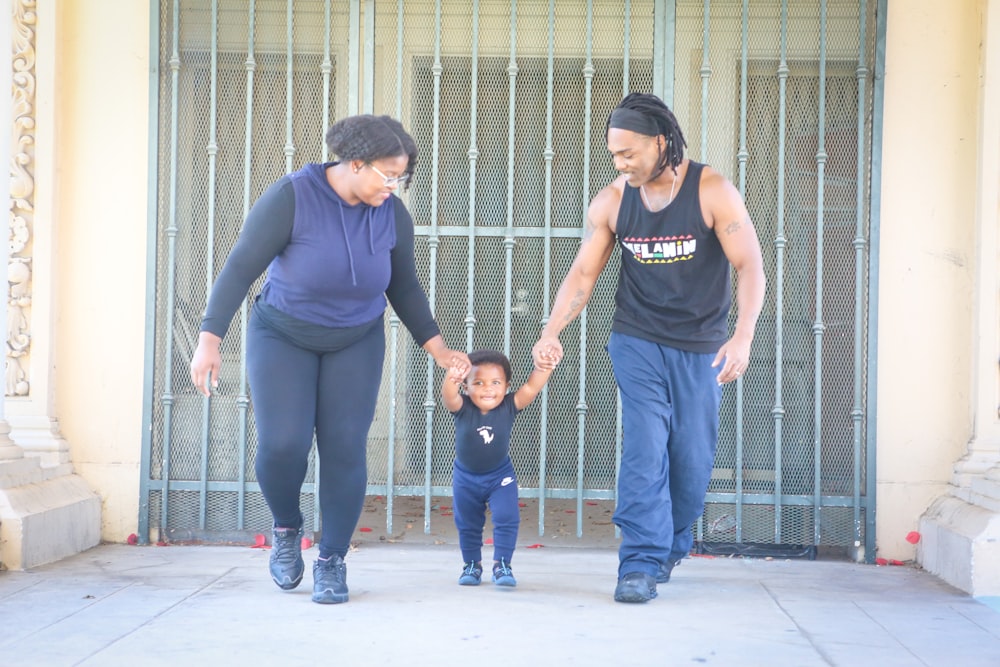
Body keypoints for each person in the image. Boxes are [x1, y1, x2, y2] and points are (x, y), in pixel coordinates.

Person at [189, 114, 470, 605]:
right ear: (354, 163)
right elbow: (239, 267)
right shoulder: (291, 198)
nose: (395, 185)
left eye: (402, 176)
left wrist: (438, 347)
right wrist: (210, 339)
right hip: (282, 335)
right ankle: (285, 529)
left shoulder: (391, 214)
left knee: (343, 447)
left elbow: (402, 285)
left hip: (356, 339)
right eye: (388, 174)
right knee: (282, 445)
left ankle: (332, 560)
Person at [531, 92, 766, 603]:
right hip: (636, 339)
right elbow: (583, 273)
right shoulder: (613, 201)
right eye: (614, 154)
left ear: (661, 143)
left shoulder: (712, 191)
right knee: (644, 444)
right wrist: (552, 330)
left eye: (628, 153)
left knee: (691, 458)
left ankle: (671, 543)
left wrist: (743, 334)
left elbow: (749, 265)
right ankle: (637, 560)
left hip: (700, 345)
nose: (620, 163)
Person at [441, 349, 552, 588]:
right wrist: (451, 377)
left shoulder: (509, 406)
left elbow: (531, 389)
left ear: (506, 385)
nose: (487, 389)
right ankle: (471, 565)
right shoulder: (463, 407)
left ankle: (502, 565)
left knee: (506, 518)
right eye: (478, 382)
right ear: (466, 386)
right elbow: (448, 396)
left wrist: (545, 367)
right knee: (467, 522)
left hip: (500, 476)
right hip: (466, 478)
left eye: (495, 382)